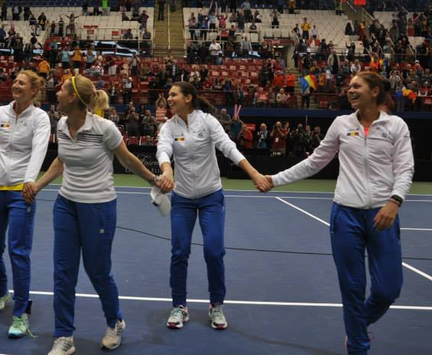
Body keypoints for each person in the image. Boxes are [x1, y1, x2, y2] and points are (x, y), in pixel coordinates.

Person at [264, 71, 414, 355]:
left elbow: (405, 168)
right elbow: (314, 163)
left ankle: (357, 326)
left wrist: (394, 201)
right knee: (353, 288)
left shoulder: (396, 126)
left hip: (383, 215)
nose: (350, 90)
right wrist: (275, 179)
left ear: (374, 91)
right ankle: (358, 346)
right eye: (349, 86)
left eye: (357, 86)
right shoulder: (340, 124)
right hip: (345, 216)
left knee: (388, 290)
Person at [25, 75, 166, 355]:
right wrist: (38, 185)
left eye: (62, 89)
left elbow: (126, 158)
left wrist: (154, 179)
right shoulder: (62, 125)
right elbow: (61, 160)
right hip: (66, 205)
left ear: (74, 98)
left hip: (99, 207)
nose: (57, 92)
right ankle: (63, 336)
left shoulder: (105, 128)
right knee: (63, 273)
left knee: (97, 271)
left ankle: (115, 321)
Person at [156, 82, 270, 330]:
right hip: (183, 199)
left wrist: (253, 173)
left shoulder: (207, 121)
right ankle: (179, 306)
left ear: (188, 97)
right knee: (179, 251)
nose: (169, 98)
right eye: (168, 95)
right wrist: (167, 171)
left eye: (173, 94)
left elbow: (228, 147)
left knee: (214, 251)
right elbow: (163, 151)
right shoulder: (168, 127)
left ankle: (216, 305)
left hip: (211, 197)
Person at [0, 70, 50, 338]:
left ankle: (21, 312)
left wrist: (29, 181)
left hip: (20, 193)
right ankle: (1, 293)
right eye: (14, 81)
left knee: (18, 251)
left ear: (34, 90)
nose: (15, 85)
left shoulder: (40, 118)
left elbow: (39, 150)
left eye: (21, 83)